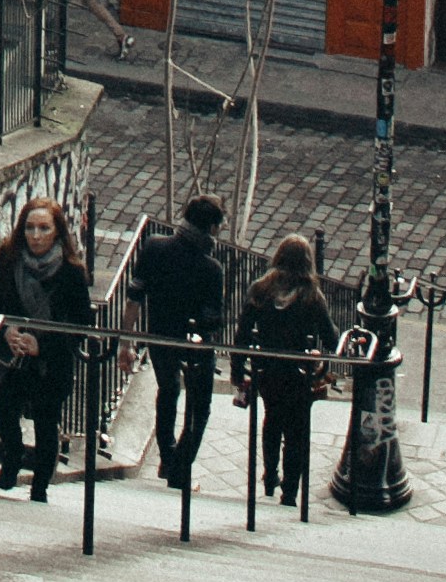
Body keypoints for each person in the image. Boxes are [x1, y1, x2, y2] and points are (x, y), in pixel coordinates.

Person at [0, 193, 90, 499]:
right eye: (30, 228)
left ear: (57, 231)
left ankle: (40, 485)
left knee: (46, 420)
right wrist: (5, 329)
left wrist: (42, 345)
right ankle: (11, 461)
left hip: (50, 360)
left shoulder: (70, 271)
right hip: (12, 359)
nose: (36, 236)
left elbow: (80, 323)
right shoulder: (9, 259)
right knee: (4, 411)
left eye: (44, 228)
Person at [132, 194, 230, 489]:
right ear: (212, 228)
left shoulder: (153, 247)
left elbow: (135, 294)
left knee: (168, 390)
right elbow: (213, 317)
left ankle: (166, 455)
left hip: (159, 335)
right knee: (199, 407)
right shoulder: (211, 268)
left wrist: (125, 340)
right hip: (195, 343)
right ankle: (180, 467)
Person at [235, 232, 334, 511]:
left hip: (266, 369)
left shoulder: (260, 289)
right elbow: (331, 337)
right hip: (298, 373)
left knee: (271, 420)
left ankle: (269, 475)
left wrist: (237, 371)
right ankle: (290, 491)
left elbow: (242, 333)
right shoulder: (312, 296)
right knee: (296, 432)